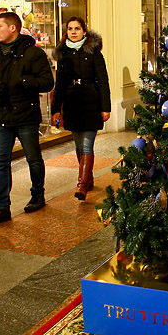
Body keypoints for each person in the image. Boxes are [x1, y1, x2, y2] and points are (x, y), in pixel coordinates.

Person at [0, 11, 54, 226]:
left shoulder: (33, 54)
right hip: (1, 115)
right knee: (0, 163)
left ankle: (37, 195)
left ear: (12, 28)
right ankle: (1, 206)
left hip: (25, 116)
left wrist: (24, 81)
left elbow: (47, 82)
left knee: (33, 158)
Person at [51, 17, 111, 201]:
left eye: (77, 28)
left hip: (90, 102)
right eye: (70, 29)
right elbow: (59, 84)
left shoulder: (94, 53)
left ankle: (82, 185)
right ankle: (88, 177)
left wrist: (105, 107)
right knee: (78, 145)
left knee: (86, 144)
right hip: (71, 102)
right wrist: (56, 109)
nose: (73, 32)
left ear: (84, 31)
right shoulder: (63, 54)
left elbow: (103, 82)